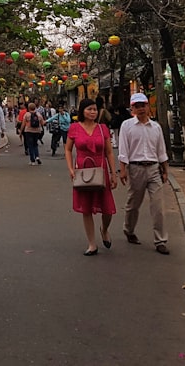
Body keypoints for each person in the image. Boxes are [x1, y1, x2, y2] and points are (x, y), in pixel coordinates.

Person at [118, 92, 170, 255]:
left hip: (154, 168)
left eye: (143, 105)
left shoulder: (156, 127)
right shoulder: (127, 126)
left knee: (158, 206)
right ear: (132, 108)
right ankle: (129, 229)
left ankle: (160, 240)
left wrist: (165, 170)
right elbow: (123, 149)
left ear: (148, 106)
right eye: (137, 106)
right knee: (133, 204)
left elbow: (161, 150)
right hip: (136, 169)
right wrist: (123, 169)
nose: (141, 109)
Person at [65, 98, 118, 255]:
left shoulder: (102, 129)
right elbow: (68, 149)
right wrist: (70, 168)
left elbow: (109, 152)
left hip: (100, 171)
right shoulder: (74, 128)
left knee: (107, 209)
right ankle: (92, 244)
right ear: (82, 111)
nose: (93, 112)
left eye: (95, 109)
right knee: (86, 208)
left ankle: (105, 229)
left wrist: (113, 173)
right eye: (89, 109)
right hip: (82, 171)